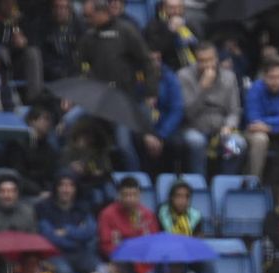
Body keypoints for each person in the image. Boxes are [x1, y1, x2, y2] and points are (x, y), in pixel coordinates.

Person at [175, 43, 241, 177]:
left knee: (237, 145)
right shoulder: (183, 76)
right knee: (197, 142)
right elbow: (187, 114)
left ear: (217, 59)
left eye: (210, 60)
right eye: (202, 61)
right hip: (194, 128)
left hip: (221, 130)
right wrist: (202, 89)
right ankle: (200, 185)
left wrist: (228, 126)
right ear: (196, 60)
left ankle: (224, 182)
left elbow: (234, 111)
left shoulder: (229, 77)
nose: (207, 65)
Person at [78, 0, 157, 101]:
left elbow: (146, 61)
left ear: (102, 13)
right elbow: (80, 64)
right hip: (98, 94)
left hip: (126, 94)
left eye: (89, 16)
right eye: (85, 16)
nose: (87, 20)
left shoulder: (126, 31)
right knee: (70, 117)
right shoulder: (89, 36)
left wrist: (151, 93)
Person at [37, 171, 100, 273]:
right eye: (62, 185)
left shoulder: (83, 207)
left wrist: (67, 231)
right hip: (56, 254)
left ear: (76, 189)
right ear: (56, 188)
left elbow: (90, 232)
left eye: (70, 185)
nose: (66, 190)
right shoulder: (44, 207)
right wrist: (78, 235)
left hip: (81, 253)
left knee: (100, 270)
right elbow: (49, 236)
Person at [98, 176, 160, 258]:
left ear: (140, 195)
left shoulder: (148, 214)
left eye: (134, 195)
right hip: (120, 259)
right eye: (126, 195)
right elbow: (106, 246)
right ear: (119, 195)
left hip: (145, 258)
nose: (130, 199)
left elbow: (154, 241)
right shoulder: (107, 214)